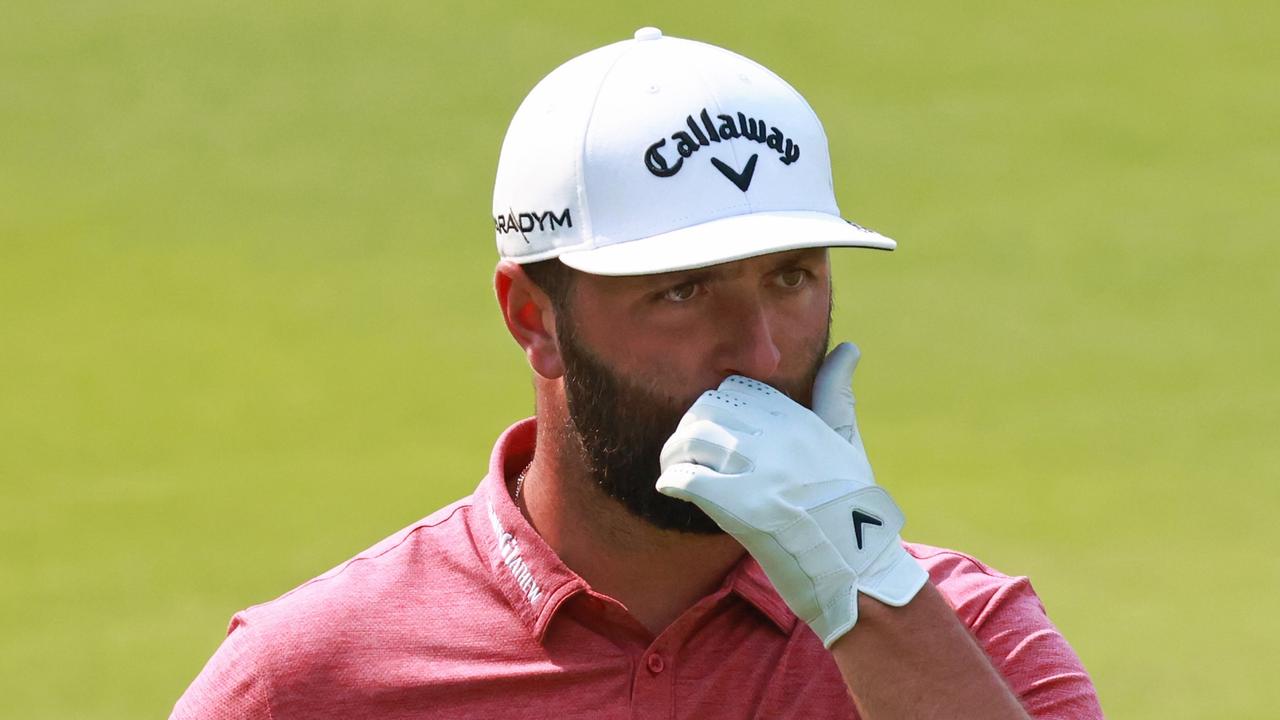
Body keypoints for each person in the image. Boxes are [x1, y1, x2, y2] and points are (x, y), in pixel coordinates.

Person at [172, 28, 1102, 719]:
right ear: (534, 319)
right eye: (683, 292)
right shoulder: (307, 681)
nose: (762, 354)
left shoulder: (970, 639)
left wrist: (862, 583)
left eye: (791, 278)